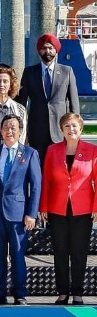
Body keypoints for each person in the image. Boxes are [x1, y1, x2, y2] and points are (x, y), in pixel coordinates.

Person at [41, 112, 97, 306]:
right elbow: (46, 180)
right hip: (58, 208)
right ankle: (63, 292)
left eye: (74, 126)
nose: (71, 129)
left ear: (81, 129)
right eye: (67, 126)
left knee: (79, 252)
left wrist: (96, 207)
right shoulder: (52, 150)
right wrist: (44, 206)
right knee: (60, 251)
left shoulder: (92, 150)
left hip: (83, 209)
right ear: (61, 129)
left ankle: (78, 292)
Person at [0, 115, 41, 305]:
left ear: (20, 131)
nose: (9, 131)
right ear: (1, 131)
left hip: (19, 213)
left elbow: (35, 186)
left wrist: (32, 213)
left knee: (18, 255)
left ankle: (20, 294)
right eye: (6, 127)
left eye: (13, 127)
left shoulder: (30, 153)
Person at [17, 33, 81, 161]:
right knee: (38, 169)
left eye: (51, 48)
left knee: (60, 168)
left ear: (56, 50)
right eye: (44, 48)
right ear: (39, 51)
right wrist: (20, 127)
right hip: (36, 130)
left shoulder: (66, 71)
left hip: (60, 130)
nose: (47, 51)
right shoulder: (29, 72)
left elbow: (74, 103)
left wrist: (75, 127)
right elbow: (21, 103)